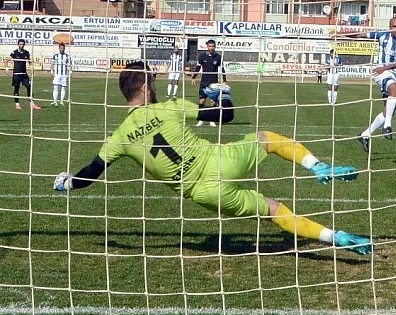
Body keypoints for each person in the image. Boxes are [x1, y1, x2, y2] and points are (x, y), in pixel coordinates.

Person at [53, 61, 371, 255]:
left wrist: (67, 183)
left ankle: (336, 237)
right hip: (220, 161)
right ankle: (317, 166)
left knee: (273, 209)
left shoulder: (119, 138)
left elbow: (90, 174)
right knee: (267, 139)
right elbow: (226, 116)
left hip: (204, 193)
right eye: (153, 81)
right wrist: (224, 93)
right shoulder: (170, 106)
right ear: (147, 86)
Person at [356, 16, 396, 152]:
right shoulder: (382, 36)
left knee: (388, 110)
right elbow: (362, 34)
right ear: (390, 27)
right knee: (395, 89)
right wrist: (339, 34)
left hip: (392, 72)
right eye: (395, 26)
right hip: (380, 72)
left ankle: (365, 135)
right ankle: (387, 127)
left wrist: (385, 68)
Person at [191, 39, 226, 127]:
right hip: (204, 82)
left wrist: (224, 80)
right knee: (202, 101)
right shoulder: (202, 56)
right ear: (207, 47)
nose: (211, 48)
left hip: (214, 82)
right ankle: (201, 119)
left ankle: (212, 120)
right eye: (210, 46)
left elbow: (222, 69)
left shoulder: (218, 57)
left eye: (213, 46)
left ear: (215, 47)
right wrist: (194, 77)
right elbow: (198, 67)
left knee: (213, 102)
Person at [7, 39, 40, 110]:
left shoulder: (26, 53)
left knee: (29, 86)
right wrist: (7, 68)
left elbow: (29, 61)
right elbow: (8, 60)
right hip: (16, 74)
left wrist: (31, 68)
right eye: (20, 44)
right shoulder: (14, 52)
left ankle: (32, 104)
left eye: (23, 44)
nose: (21, 45)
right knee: (17, 88)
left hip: (24, 74)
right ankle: (17, 104)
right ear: (18, 44)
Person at [50, 42, 72, 107]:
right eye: (61, 48)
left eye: (63, 48)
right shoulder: (55, 56)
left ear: (64, 48)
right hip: (57, 74)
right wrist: (51, 71)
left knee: (63, 88)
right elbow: (52, 64)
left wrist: (70, 72)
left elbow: (70, 65)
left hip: (64, 74)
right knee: (55, 87)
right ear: (59, 48)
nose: (62, 49)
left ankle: (62, 101)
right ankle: (55, 101)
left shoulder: (67, 56)